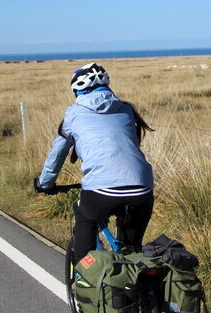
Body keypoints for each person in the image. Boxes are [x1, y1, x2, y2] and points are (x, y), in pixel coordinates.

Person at [35, 62, 154, 261]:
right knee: (132, 253)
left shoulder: (73, 114)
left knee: (83, 251)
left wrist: (45, 183)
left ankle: (83, 274)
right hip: (142, 187)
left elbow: (58, 153)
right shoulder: (126, 109)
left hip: (101, 189)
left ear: (77, 91)